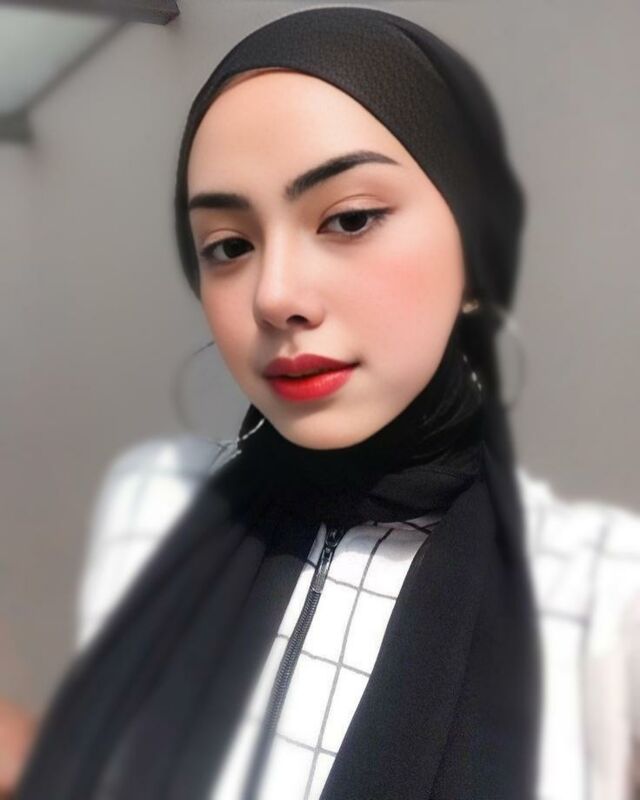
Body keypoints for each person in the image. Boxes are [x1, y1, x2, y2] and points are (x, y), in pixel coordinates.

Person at [11, 6, 638, 800]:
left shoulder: (602, 597)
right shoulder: (160, 505)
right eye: (229, 246)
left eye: (348, 218)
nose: (275, 296)